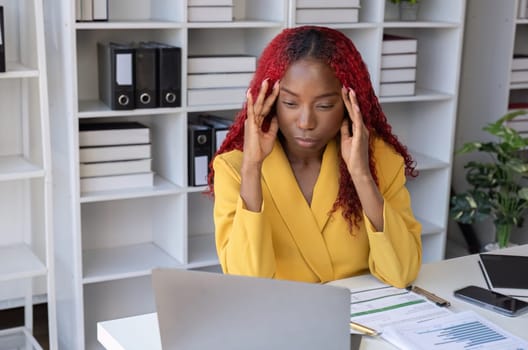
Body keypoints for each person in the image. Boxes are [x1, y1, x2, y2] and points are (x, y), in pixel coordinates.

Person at [208, 26, 422, 288]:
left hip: (363, 317)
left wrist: (362, 176)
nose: (306, 122)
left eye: (324, 105)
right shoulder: (234, 169)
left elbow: (403, 274)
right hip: (282, 318)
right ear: (269, 101)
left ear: (349, 104)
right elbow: (248, 284)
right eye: (290, 103)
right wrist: (252, 168)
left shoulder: (381, 161)